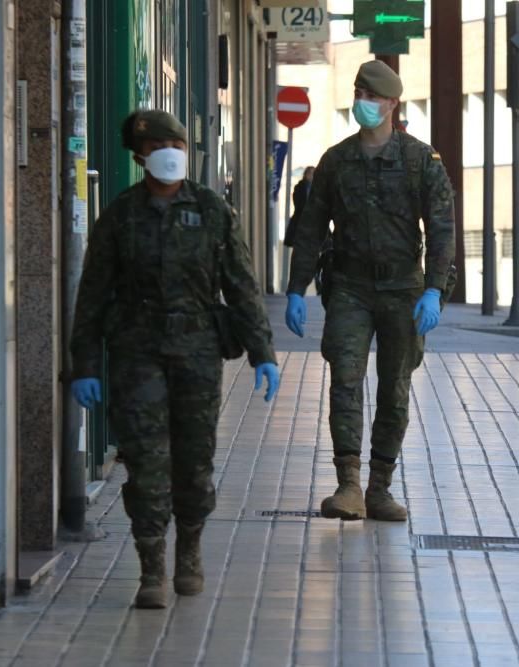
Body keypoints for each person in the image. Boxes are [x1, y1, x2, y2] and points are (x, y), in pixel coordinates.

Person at [69, 109, 280, 609]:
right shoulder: (120, 215)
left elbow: (242, 286)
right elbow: (93, 295)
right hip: (136, 354)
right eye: (160, 145)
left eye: (179, 145)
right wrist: (84, 365)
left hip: (197, 355)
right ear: (141, 155)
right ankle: (151, 569)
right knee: (144, 463)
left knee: (193, 460)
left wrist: (262, 352)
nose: (170, 153)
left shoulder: (211, 210)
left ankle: (189, 547)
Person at [284, 60, 455, 522]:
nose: (364, 103)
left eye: (372, 97)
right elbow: (312, 227)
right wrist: (296, 288)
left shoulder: (422, 161)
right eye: (359, 94)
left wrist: (435, 291)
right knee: (345, 379)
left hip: (404, 288)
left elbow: (442, 230)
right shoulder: (337, 161)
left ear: (393, 103)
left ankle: (380, 487)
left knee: (395, 388)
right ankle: (348, 485)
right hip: (351, 287)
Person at [283, 166, 315, 248]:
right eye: (311, 173)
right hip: (301, 221)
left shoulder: (316, 188)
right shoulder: (299, 187)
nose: (312, 176)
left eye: (313, 174)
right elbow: (298, 203)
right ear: (306, 175)